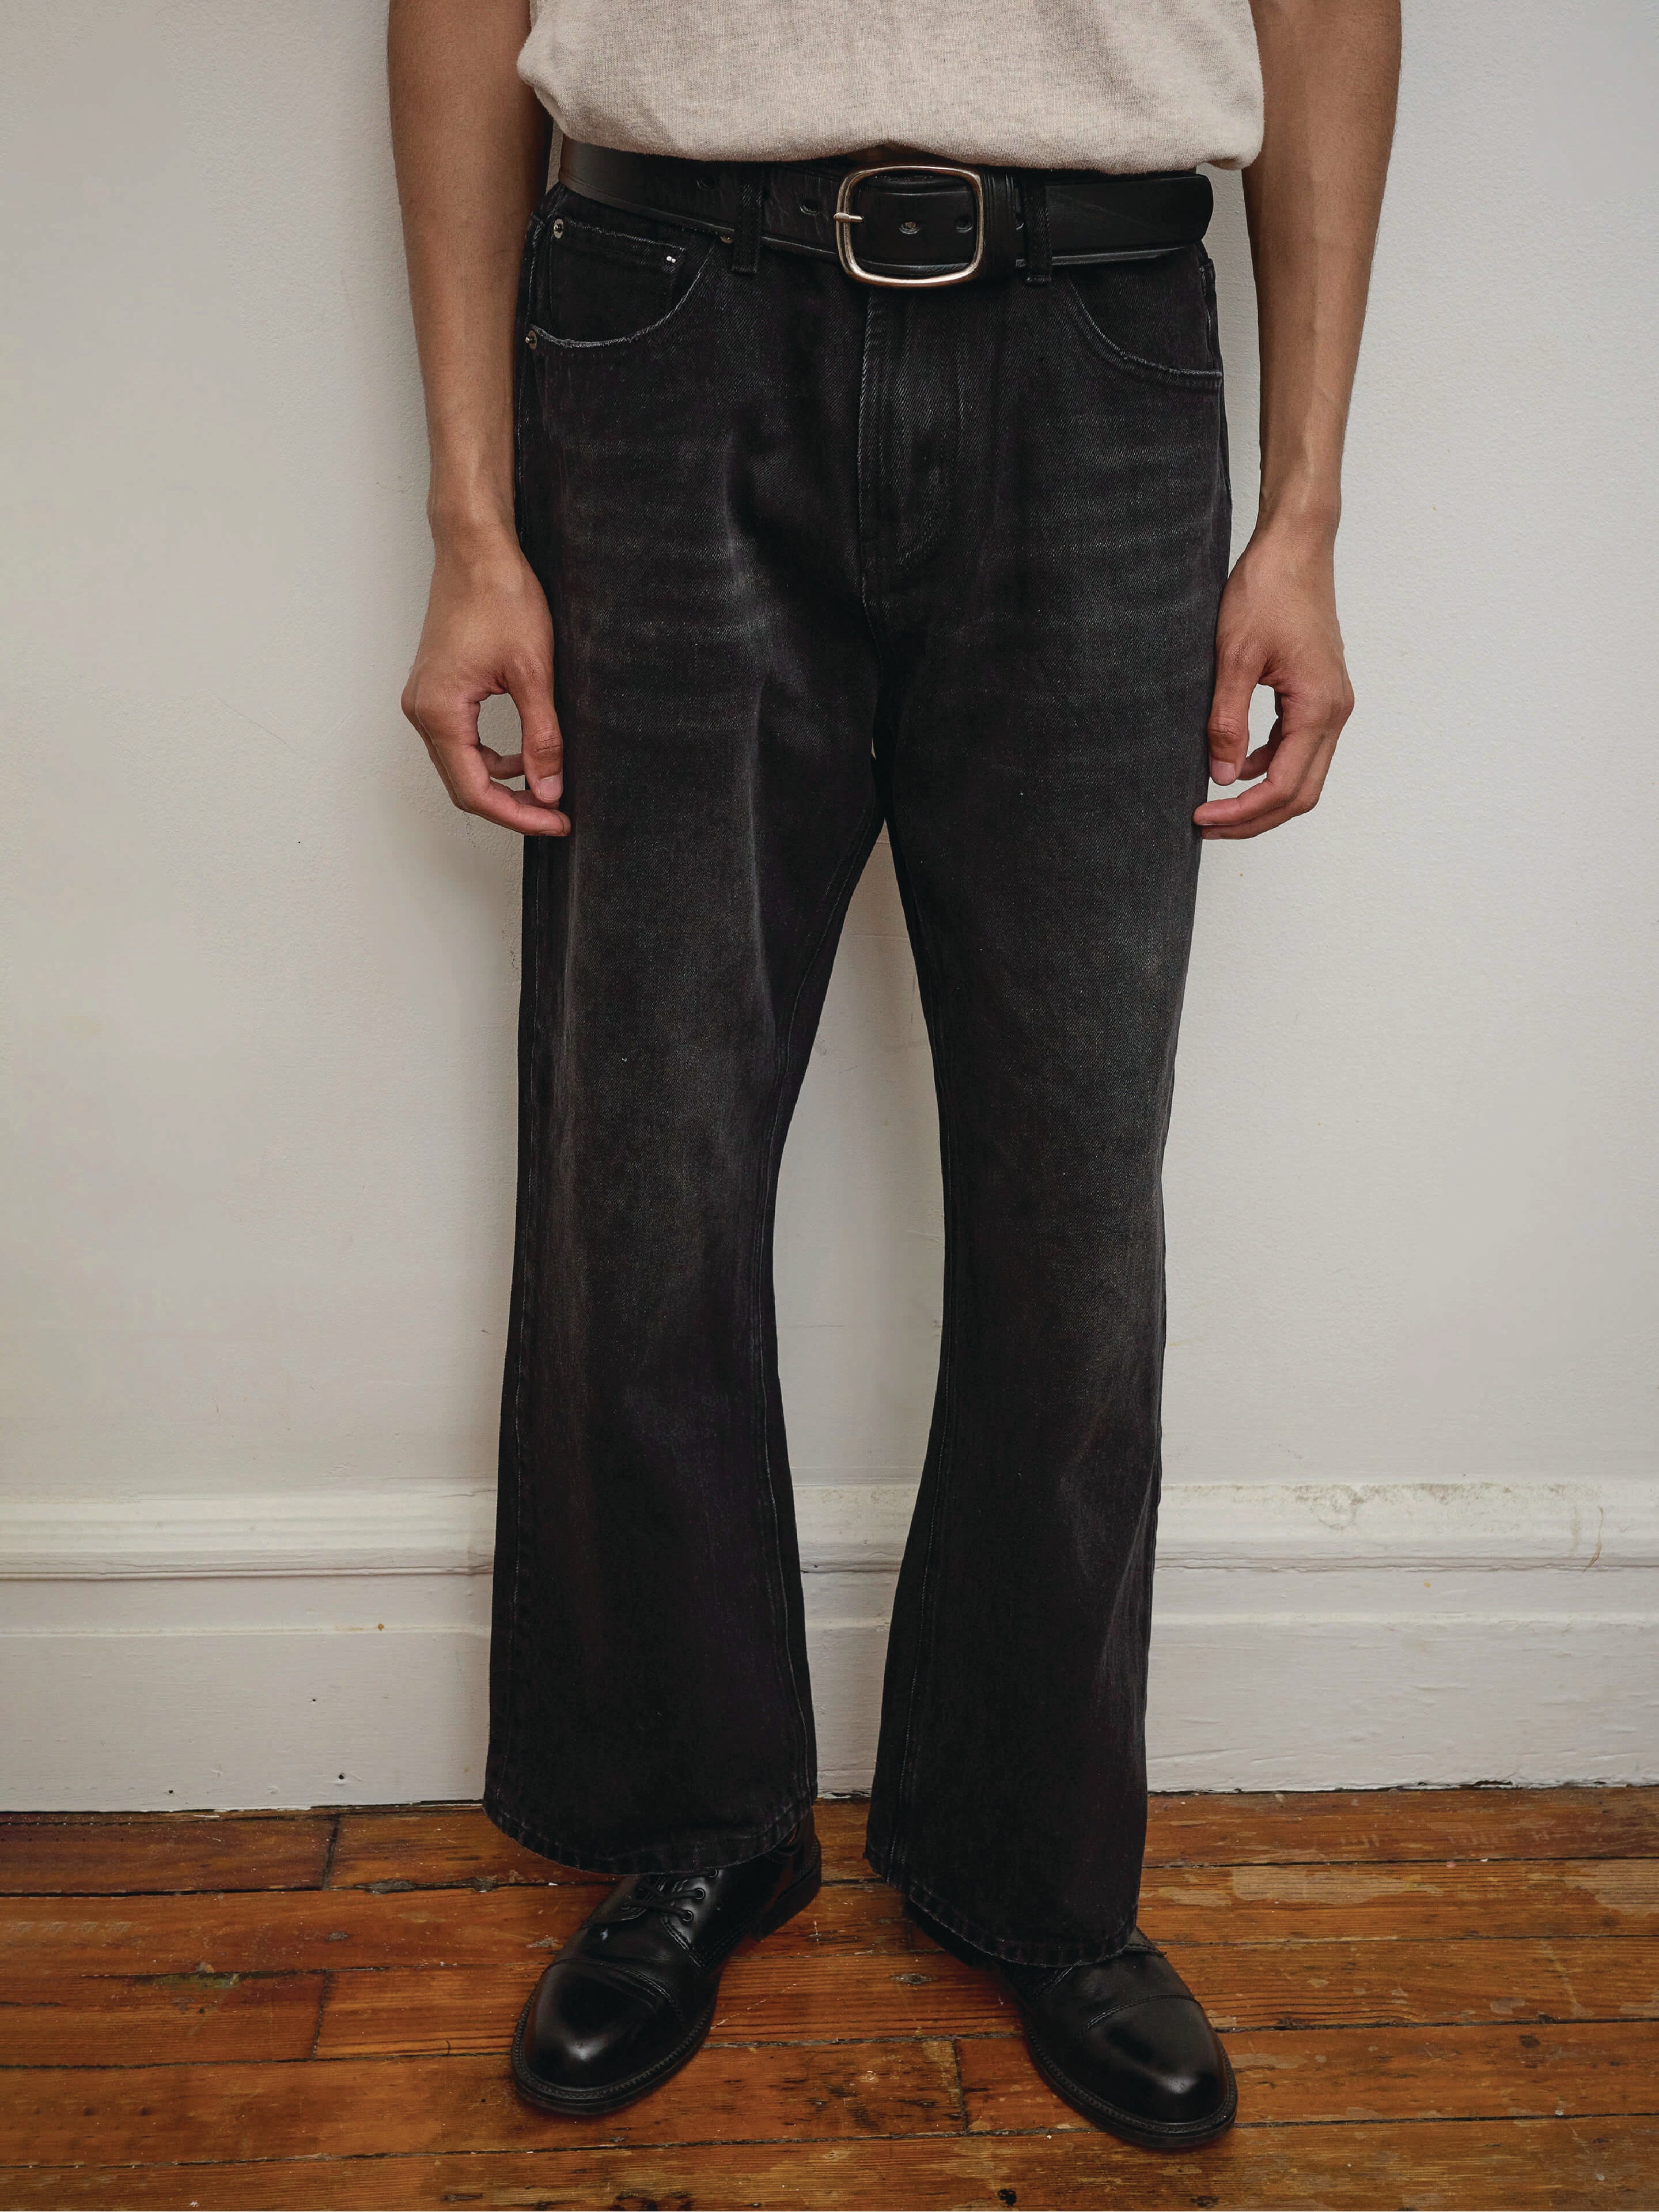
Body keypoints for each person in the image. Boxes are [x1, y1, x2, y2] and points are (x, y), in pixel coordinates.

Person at [389, 0, 1397, 2149]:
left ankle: (1034, 1872)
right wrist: (474, 520)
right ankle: (694, 1819)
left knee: (1073, 1182)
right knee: (638, 1156)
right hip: (661, 329)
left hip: (1104, 335)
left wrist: (1304, 511)